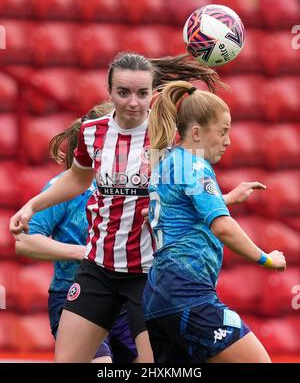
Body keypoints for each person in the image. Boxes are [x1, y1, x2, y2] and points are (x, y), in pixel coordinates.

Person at [9, 52, 267, 363]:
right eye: (123, 92)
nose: (133, 102)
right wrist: (31, 206)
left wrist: (222, 199)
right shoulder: (93, 132)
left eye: (142, 93)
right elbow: (77, 180)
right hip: (98, 269)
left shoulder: (166, 141)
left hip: (146, 275)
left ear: (153, 94)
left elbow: (175, 199)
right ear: (109, 92)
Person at [144, 80, 287, 363]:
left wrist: (225, 198)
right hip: (188, 295)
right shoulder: (194, 164)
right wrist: (265, 259)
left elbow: (178, 207)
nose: (228, 141)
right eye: (222, 132)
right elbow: (223, 227)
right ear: (196, 133)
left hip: (158, 299)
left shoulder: (168, 159)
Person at [14, 107, 138, 363]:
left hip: (124, 299)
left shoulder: (130, 184)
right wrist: (85, 253)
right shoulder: (63, 188)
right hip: (74, 295)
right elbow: (24, 241)